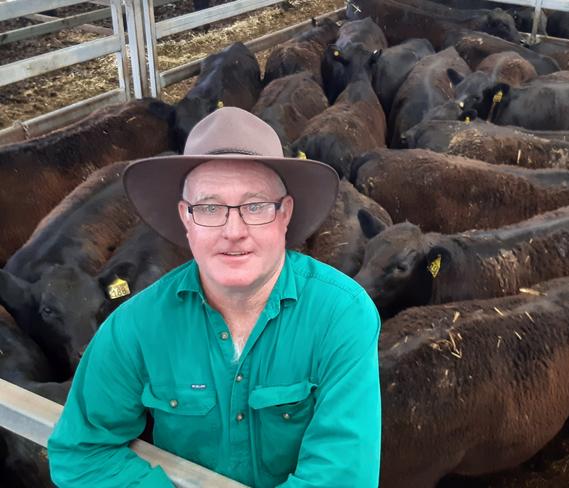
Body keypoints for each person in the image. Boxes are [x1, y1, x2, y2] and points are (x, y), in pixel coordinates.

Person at [47, 107, 382, 487]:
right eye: (209, 207)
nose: (233, 230)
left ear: (284, 214)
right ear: (185, 217)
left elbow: (343, 478)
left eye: (255, 206)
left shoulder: (342, 315)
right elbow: (80, 451)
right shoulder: (138, 325)